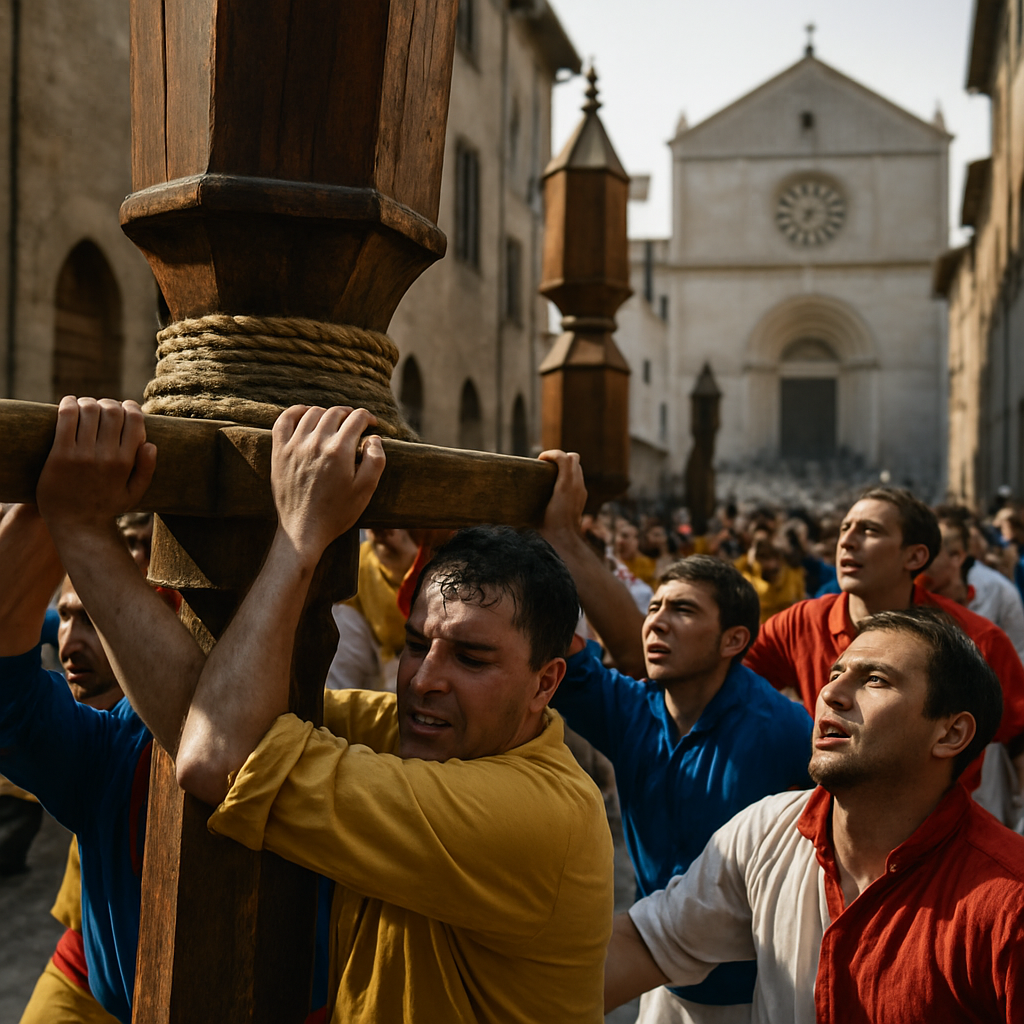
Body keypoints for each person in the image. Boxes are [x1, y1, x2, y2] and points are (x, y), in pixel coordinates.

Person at [35, 397, 613, 1023]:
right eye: (417, 645)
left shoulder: (531, 818)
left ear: (545, 683)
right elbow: (207, 715)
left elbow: (216, 757)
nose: (426, 681)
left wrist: (299, 534)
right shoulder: (409, 732)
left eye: (472, 659)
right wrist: (82, 528)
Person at [604, 607, 1024, 1022]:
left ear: (951, 733)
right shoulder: (765, 831)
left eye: (875, 680)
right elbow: (651, 944)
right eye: (835, 674)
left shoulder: (1009, 902)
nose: (831, 694)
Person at [539, 452, 813, 1024]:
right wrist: (550, 537)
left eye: (683, 611)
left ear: (734, 640)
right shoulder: (632, 709)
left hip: (759, 990)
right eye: (655, 606)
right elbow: (553, 643)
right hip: (657, 979)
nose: (656, 621)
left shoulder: (786, 732)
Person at [742, 488, 1024, 793]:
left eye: (870, 530)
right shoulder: (800, 623)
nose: (847, 541)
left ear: (915, 556)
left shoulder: (977, 640)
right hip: (831, 824)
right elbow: (730, 689)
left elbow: (1019, 736)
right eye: (844, 528)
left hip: (939, 831)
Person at [734, 528, 805, 623]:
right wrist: (749, 557)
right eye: (762, 556)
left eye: (771, 555)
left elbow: (800, 600)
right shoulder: (746, 575)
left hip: (785, 626)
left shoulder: (792, 573)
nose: (768, 562)